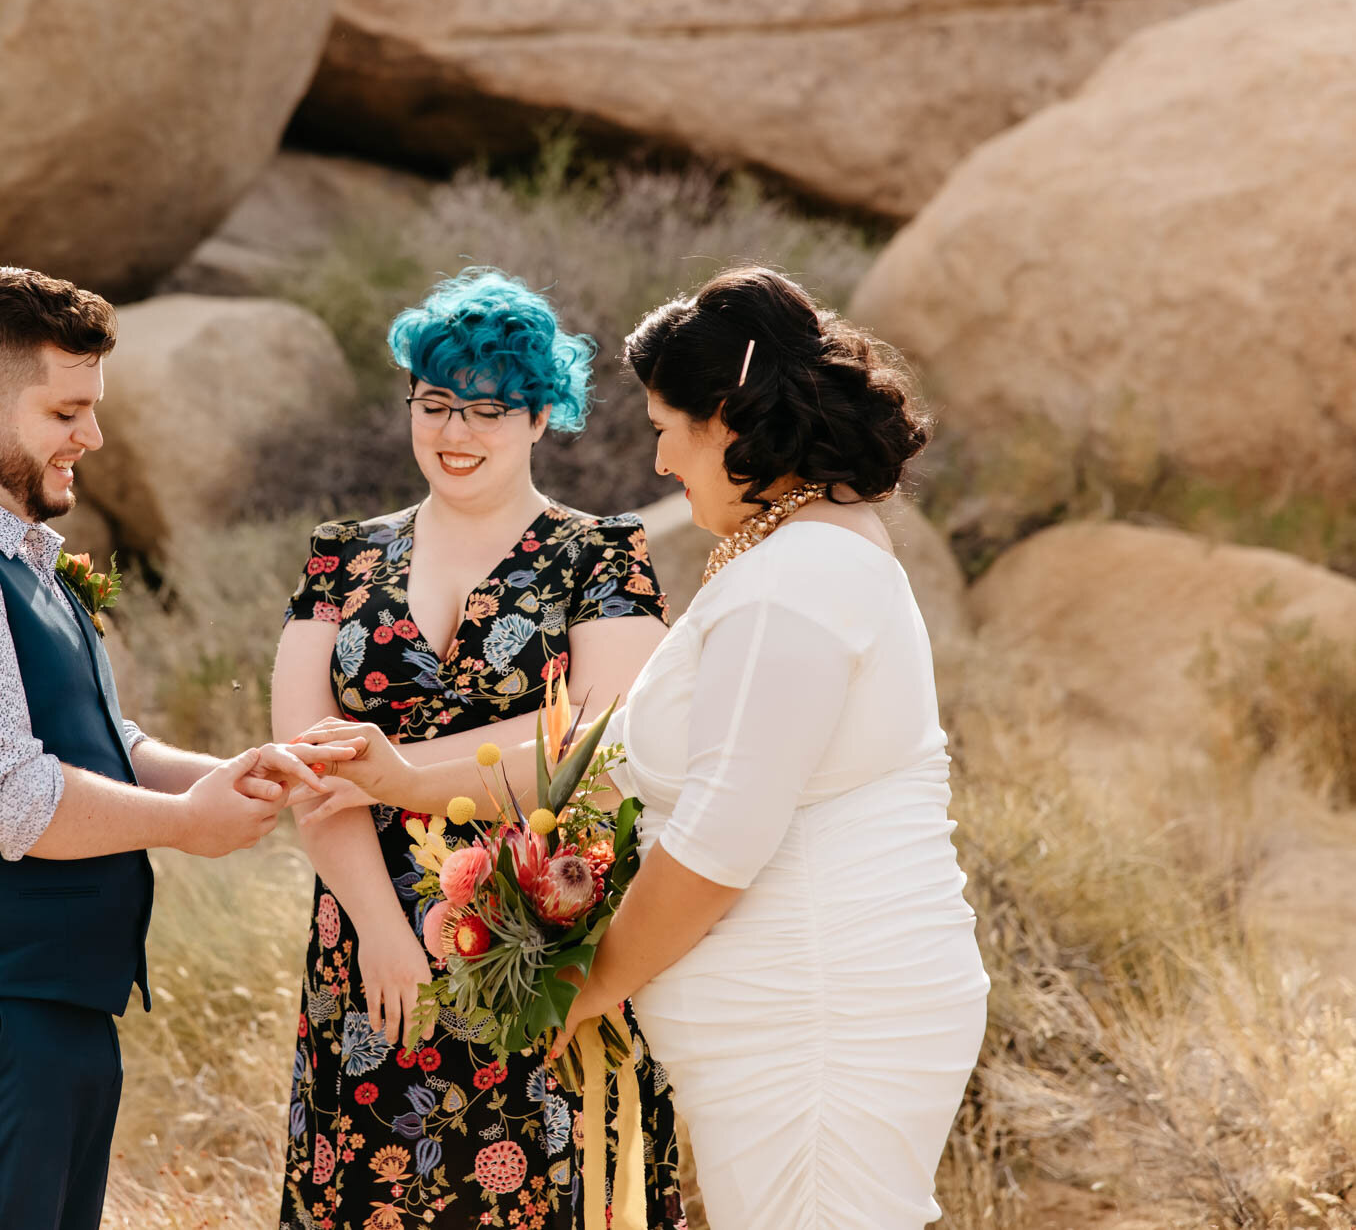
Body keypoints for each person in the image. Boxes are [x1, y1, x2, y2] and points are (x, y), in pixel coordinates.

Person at [307, 267, 989, 1229]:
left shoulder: (800, 580)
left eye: (667, 429)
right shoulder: (796, 552)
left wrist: (591, 986)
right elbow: (609, 749)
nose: (663, 462)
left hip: (820, 1014)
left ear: (726, 419)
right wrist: (410, 778)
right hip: (792, 1014)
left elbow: (721, 841)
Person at [0, 264, 355, 1230]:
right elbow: (8, 794)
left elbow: (96, 742)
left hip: (31, 1011)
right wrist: (186, 824)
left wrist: (227, 776)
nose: (91, 436)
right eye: (66, 411)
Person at [272, 268, 685, 1230]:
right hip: (367, 947)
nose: (457, 434)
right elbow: (307, 762)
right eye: (438, 403)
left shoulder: (601, 553)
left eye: (491, 409)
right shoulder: (340, 555)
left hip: (541, 943)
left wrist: (406, 772)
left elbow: (600, 739)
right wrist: (378, 924)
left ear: (543, 417)